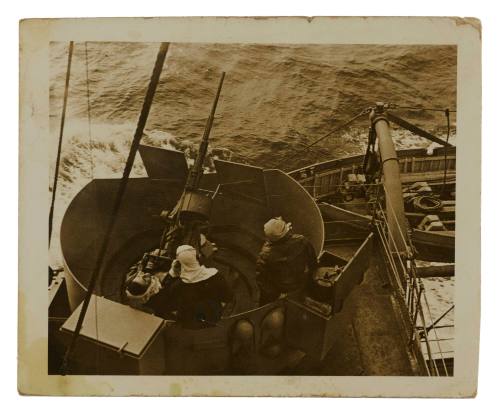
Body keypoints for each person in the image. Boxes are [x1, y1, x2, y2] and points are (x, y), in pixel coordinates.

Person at [256, 217, 318, 305]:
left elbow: (262, 281)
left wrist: (277, 295)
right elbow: (313, 262)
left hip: (281, 289)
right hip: (299, 283)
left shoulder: (265, 255)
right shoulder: (301, 240)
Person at [169, 245, 232, 329]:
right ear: (197, 258)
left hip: (190, 326)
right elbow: (228, 297)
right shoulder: (216, 275)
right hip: (215, 319)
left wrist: (173, 273)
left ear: (179, 263)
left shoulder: (177, 286)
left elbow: (173, 309)